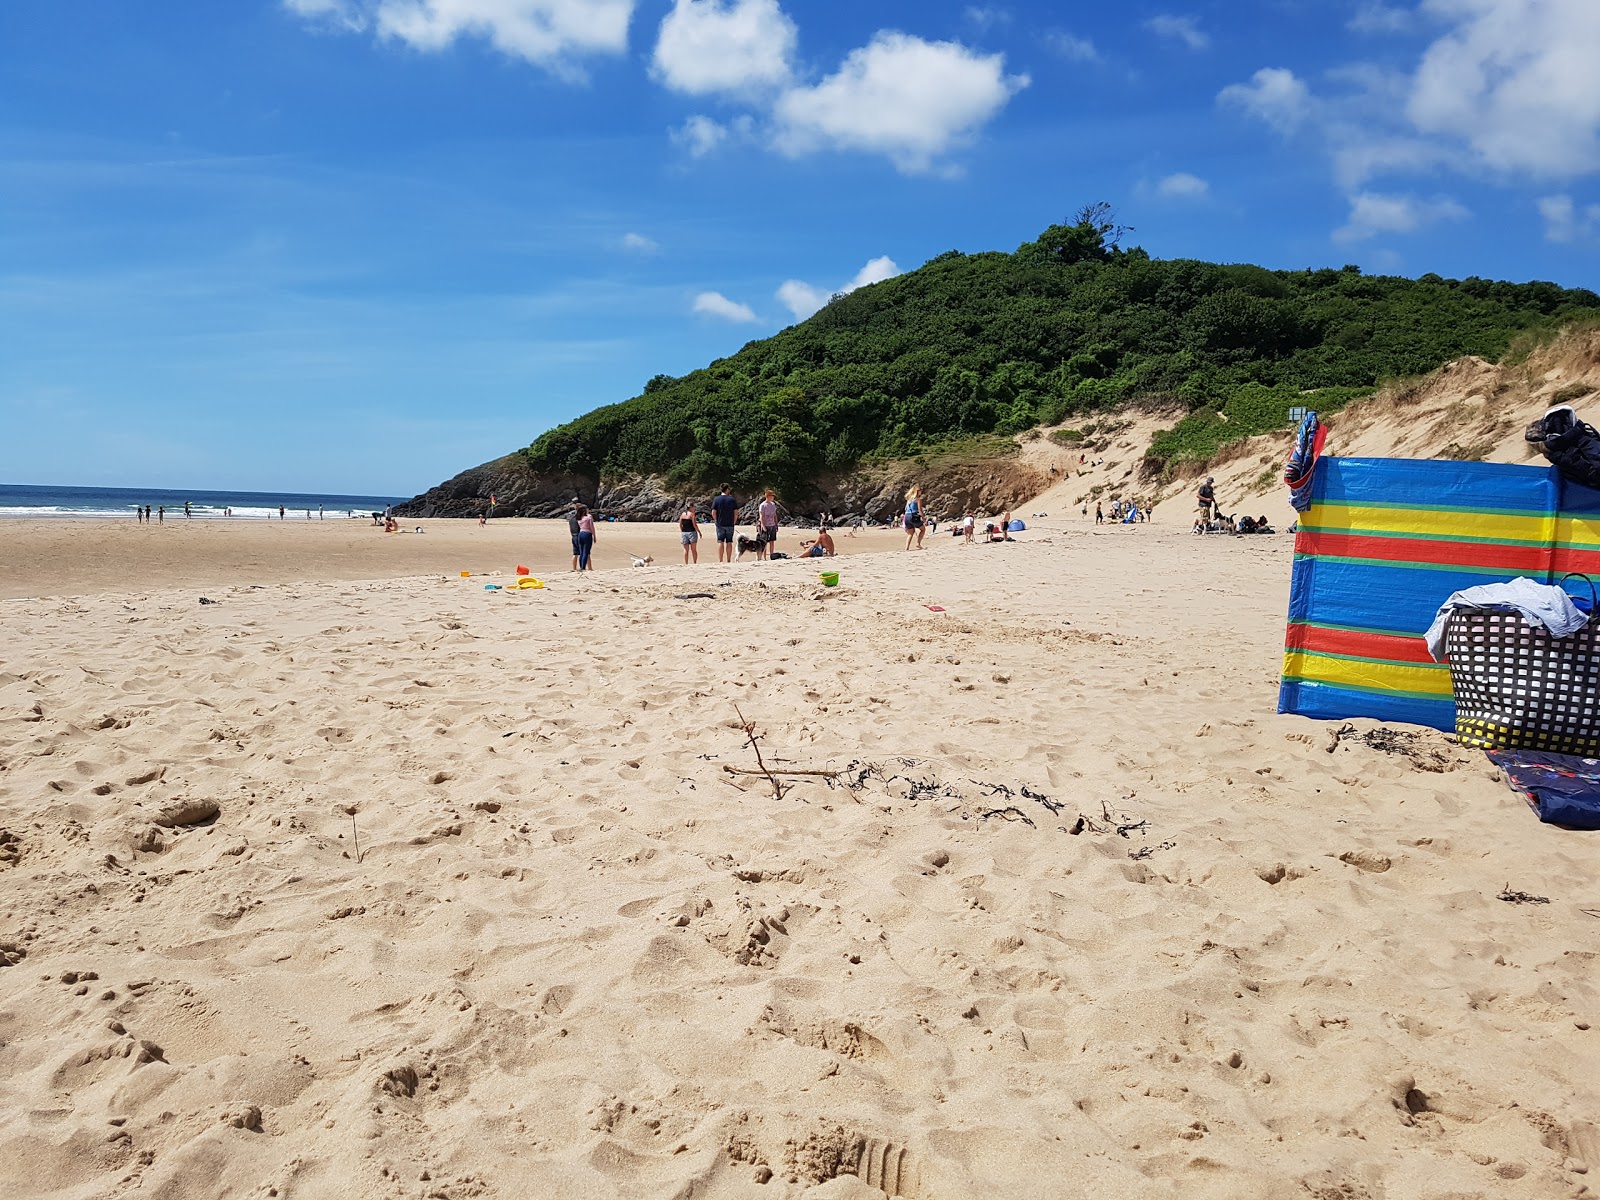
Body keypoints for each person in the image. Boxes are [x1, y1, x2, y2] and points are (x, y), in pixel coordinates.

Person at [711, 484, 738, 563]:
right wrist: (734, 521)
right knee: (729, 542)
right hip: (729, 523)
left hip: (720, 524)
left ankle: (720, 560)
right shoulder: (732, 499)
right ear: (727, 489)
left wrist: (717, 520)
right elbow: (736, 512)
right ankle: (728, 560)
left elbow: (713, 512)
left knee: (720, 541)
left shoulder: (717, 499)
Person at [757, 489, 779, 561]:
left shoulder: (773, 504)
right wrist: (763, 526)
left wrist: (776, 524)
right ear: (768, 496)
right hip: (765, 525)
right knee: (764, 542)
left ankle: (772, 555)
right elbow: (761, 516)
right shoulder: (763, 505)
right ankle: (764, 557)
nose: (773, 497)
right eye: (772, 496)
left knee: (772, 541)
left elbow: (775, 515)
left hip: (772, 525)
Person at [903, 485, 926, 550]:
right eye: (920, 491)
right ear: (917, 491)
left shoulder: (909, 500)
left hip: (907, 516)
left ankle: (906, 548)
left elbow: (905, 509)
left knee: (910, 533)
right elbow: (920, 510)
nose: (921, 492)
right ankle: (918, 544)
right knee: (923, 529)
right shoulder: (918, 499)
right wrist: (924, 519)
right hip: (913, 516)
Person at [576, 504, 596, 571]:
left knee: (581, 552)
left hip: (580, 534)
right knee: (586, 552)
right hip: (587, 534)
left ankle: (581, 566)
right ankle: (583, 567)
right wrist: (594, 536)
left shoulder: (579, 517)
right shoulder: (589, 517)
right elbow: (591, 527)